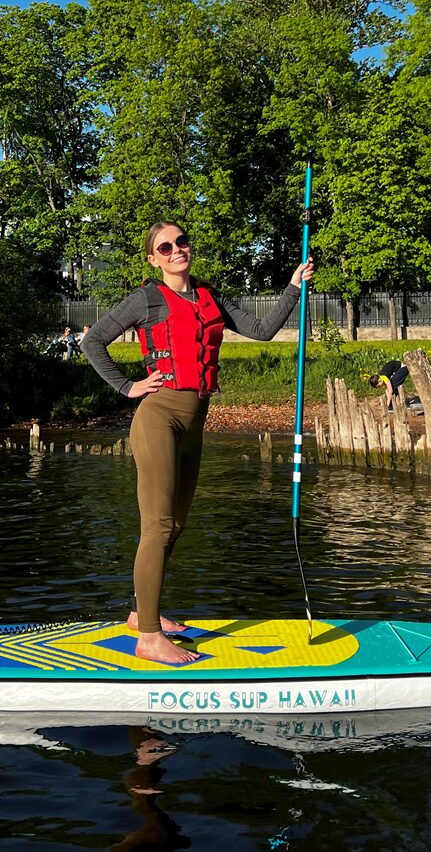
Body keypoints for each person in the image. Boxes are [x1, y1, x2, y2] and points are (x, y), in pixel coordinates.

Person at [82, 222, 312, 666]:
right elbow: (93, 342)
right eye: (164, 247)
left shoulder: (209, 295)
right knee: (158, 525)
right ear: (153, 258)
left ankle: (139, 613)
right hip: (158, 417)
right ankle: (148, 637)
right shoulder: (146, 298)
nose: (175, 251)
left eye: (181, 242)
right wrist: (128, 387)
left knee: (178, 525)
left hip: (195, 422)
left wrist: (292, 288)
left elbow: (262, 330)